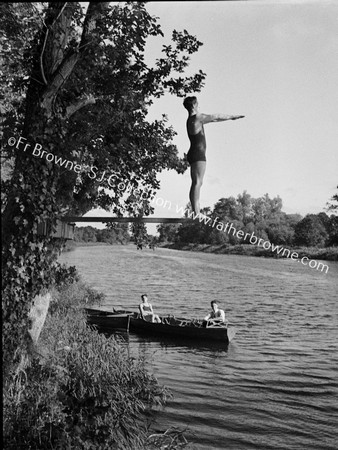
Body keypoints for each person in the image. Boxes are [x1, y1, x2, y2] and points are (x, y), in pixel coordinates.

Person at [183, 96, 245, 215]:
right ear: (195, 105)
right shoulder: (198, 117)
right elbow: (215, 117)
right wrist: (232, 117)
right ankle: (196, 212)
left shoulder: (189, 119)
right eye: (198, 104)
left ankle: (196, 210)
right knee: (197, 182)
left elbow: (214, 119)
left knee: (196, 182)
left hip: (192, 153)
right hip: (198, 154)